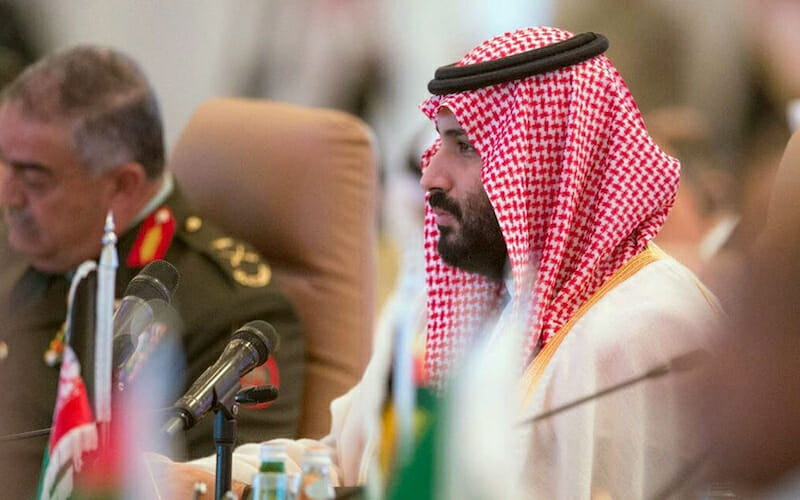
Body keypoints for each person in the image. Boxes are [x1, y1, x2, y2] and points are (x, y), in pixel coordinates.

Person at [160, 26, 720, 498]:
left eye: (465, 146)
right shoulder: (456, 301)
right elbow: (349, 465)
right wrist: (199, 481)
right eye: (440, 142)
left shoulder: (642, 329)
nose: (430, 174)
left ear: (545, 163)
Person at [0, 45, 304, 497]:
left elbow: (226, 483)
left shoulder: (228, 309)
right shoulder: (33, 241)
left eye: (33, 178)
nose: (7, 194)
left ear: (123, 185)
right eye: (3, 162)